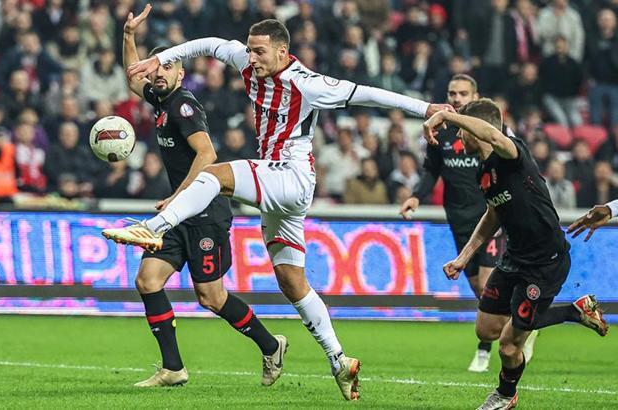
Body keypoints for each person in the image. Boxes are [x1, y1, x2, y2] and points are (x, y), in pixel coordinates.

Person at [105, 15, 451, 401]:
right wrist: (162, 55)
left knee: (214, 175)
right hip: (276, 187)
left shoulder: (307, 83)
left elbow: (368, 93)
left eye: (259, 51)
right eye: (250, 50)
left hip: (292, 176)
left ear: (283, 51)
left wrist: (425, 109)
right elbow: (209, 43)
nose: (251, 57)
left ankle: (154, 227)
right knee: (291, 282)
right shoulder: (246, 64)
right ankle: (339, 360)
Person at [118, 6, 285, 388]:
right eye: (156, 68)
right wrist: (129, 37)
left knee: (211, 297)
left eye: (167, 67)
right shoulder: (161, 101)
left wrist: (178, 197)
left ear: (180, 72)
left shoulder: (182, 105)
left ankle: (271, 344)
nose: (159, 74)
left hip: (205, 211)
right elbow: (131, 80)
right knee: (148, 280)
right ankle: (173, 369)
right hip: (179, 213)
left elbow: (207, 154)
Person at [423, 99, 608, 409]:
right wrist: (464, 257)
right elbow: (493, 214)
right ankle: (564, 312)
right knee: (486, 328)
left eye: (461, 132)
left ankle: (505, 396)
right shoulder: (485, 171)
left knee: (509, 347)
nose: (458, 139)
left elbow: (495, 136)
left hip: (544, 262)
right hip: (514, 259)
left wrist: (445, 115)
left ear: (478, 131)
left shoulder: (511, 153)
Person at [399, 74, 535, 373]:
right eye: (452, 93)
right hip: (458, 217)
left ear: (476, 96)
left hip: (492, 214)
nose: (457, 98)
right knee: (477, 287)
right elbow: (431, 169)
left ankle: (487, 349)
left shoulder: (494, 131)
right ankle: (519, 321)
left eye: (463, 93)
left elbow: (516, 163)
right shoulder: (443, 131)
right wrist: (416, 196)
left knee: (487, 283)